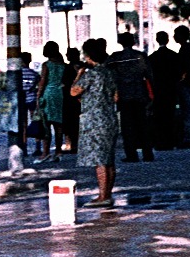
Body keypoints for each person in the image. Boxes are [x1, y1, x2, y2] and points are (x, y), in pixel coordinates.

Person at [70, 39, 119, 206]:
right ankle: (108, 194)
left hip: (94, 120)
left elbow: (73, 91)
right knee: (109, 159)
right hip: (109, 118)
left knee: (100, 161)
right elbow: (116, 97)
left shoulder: (90, 74)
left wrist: (78, 74)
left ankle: (102, 196)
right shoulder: (110, 73)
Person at [108, 30, 154, 162]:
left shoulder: (115, 58)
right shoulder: (141, 56)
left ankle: (131, 154)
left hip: (124, 94)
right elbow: (150, 76)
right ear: (133, 42)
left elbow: (107, 72)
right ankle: (148, 153)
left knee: (128, 126)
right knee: (143, 124)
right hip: (140, 93)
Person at [147, 30, 182, 151]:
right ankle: (170, 141)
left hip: (157, 90)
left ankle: (160, 142)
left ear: (157, 40)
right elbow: (178, 74)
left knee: (158, 117)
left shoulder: (152, 58)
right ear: (167, 40)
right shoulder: (174, 56)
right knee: (170, 116)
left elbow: (149, 76)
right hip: (170, 90)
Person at [36, 42, 66, 163]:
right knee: (59, 124)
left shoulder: (47, 65)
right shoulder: (63, 65)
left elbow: (43, 81)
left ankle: (45, 152)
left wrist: (38, 96)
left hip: (48, 93)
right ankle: (58, 152)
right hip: (60, 94)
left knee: (46, 123)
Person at [173, 25, 190, 147]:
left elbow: (185, 69)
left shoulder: (185, 50)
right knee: (187, 111)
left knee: (187, 112)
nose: (174, 37)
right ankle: (189, 137)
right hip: (187, 83)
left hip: (184, 84)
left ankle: (189, 138)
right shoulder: (186, 49)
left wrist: (181, 81)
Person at [61, 43, 84, 154]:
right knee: (73, 122)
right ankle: (72, 144)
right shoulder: (81, 66)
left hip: (71, 97)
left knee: (72, 122)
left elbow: (65, 82)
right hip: (73, 98)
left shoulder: (72, 67)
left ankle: (73, 144)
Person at [20, 51, 42, 156]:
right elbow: (39, 86)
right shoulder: (34, 73)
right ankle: (38, 147)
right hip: (32, 99)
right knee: (36, 122)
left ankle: (24, 148)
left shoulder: (18, 74)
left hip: (22, 101)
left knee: (23, 124)